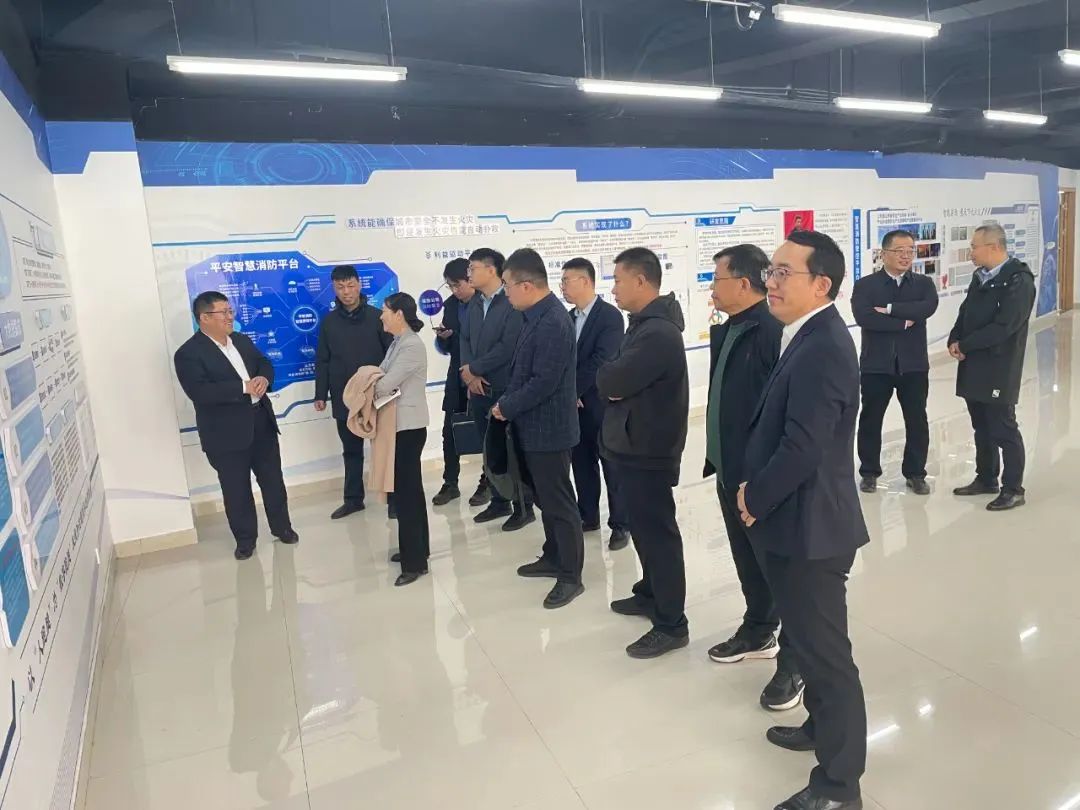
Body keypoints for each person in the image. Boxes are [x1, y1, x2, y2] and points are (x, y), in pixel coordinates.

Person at [737, 230, 867, 810]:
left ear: (822, 284)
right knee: (810, 648)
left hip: (813, 528)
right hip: (796, 521)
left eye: (784, 272)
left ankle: (839, 785)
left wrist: (755, 498)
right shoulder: (806, 333)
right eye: (772, 270)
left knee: (828, 658)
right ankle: (819, 728)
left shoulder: (825, 346)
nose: (771, 281)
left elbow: (803, 447)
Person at [702, 245, 804, 712]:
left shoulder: (771, 332)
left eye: (717, 279)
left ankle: (795, 663)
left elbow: (783, 416)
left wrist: (763, 481)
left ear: (744, 284)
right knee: (748, 560)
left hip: (759, 478)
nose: (711, 288)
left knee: (782, 570)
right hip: (730, 468)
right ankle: (759, 629)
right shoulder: (730, 329)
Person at [598, 247, 690, 659]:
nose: (613, 289)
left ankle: (672, 623)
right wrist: (613, 379)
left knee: (658, 534)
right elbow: (615, 377)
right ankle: (650, 592)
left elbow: (611, 378)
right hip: (633, 445)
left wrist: (611, 380)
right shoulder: (641, 326)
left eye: (618, 280)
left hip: (649, 450)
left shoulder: (658, 334)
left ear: (640, 281)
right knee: (644, 530)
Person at [491, 248, 584, 609]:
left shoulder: (552, 322)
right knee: (545, 499)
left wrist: (507, 406)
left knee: (559, 503)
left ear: (527, 285)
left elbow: (544, 382)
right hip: (532, 428)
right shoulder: (534, 316)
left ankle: (571, 576)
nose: (505, 293)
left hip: (550, 431)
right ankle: (553, 555)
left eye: (507, 285)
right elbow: (523, 372)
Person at [174, 292, 298, 560]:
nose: (231, 317)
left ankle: (283, 528)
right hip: (226, 433)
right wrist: (243, 387)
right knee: (236, 489)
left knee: (273, 481)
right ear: (204, 318)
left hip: (261, 422)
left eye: (231, 311)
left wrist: (264, 378)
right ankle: (245, 541)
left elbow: (263, 363)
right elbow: (199, 392)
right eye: (224, 312)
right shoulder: (188, 354)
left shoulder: (241, 340)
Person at [948, 222, 1036, 512]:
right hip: (974, 363)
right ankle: (986, 478)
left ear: (994, 247)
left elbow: (1004, 327)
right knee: (981, 426)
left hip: (999, 365)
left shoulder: (1018, 280)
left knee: (1003, 427)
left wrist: (966, 344)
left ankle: (1013, 488)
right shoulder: (981, 277)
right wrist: (954, 338)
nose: (971, 252)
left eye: (974, 247)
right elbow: (965, 312)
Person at [851, 229, 940, 495]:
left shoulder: (923, 284)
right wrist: (903, 322)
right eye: (899, 250)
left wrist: (889, 310)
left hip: (913, 364)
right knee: (871, 419)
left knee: (917, 419)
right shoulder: (866, 285)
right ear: (884, 254)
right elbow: (865, 318)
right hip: (876, 364)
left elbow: (927, 308)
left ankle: (915, 473)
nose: (906, 256)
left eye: (910, 250)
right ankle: (869, 472)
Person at [460, 247, 534, 531]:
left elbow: (508, 346)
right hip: (478, 389)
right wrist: (469, 374)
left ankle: (523, 506)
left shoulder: (511, 302)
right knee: (488, 448)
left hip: (505, 387)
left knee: (512, 449)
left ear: (491, 270)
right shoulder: (475, 303)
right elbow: (465, 340)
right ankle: (499, 500)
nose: (469, 274)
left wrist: (476, 369)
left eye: (473, 268)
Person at [560, 258, 630, 552]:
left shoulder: (609, 317)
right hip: (575, 408)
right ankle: (588, 515)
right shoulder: (567, 317)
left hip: (602, 404)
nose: (562, 287)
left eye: (567, 281)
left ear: (586, 281)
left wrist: (573, 390)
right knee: (581, 462)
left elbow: (602, 359)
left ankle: (621, 524)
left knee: (611, 465)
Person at [314, 265, 394, 520]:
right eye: (340, 287)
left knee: (385, 448)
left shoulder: (377, 317)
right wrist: (320, 394)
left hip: (377, 394)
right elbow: (323, 360)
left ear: (359, 285)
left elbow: (392, 355)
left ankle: (393, 499)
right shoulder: (329, 322)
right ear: (334, 289)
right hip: (344, 396)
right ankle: (353, 500)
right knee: (351, 450)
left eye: (350, 285)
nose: (346, 292)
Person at [376, 293, 431, 586]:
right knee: (410, 492)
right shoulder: (398, 342)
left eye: (384, 311)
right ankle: (419, 549)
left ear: (399, 314)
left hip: (408, 428)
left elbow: (384, 383)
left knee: (407, 495)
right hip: (400, 427)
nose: (381, 316)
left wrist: (367, 382)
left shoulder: (411, 345)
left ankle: (414, 564)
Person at [432, 258, 487, 507]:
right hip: (457, 374)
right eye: (450, 286)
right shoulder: (451, 306)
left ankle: (488, 481)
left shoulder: (487, 303)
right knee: (450, 431)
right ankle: (450, 483)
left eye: (458, 285)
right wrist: (444, 338)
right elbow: (448, 347)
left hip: (483, 374)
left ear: (470, 280)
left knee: (487, 431)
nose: (455, 291)